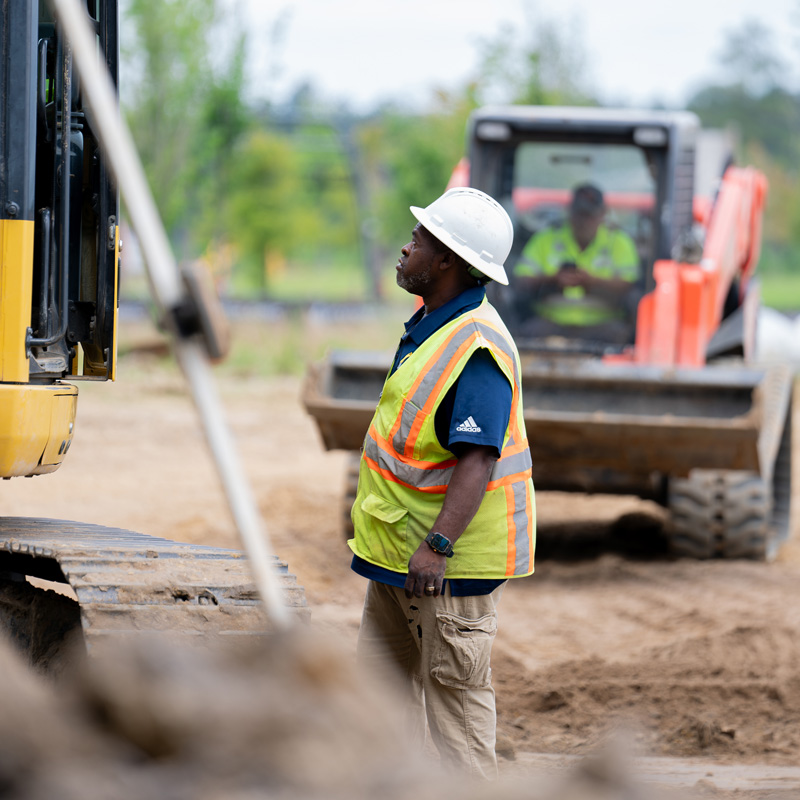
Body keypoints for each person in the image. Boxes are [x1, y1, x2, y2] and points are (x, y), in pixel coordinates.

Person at [349, 187, 536, 780]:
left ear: (449, 259)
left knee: (456, 723)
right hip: (400, 559)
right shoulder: (434, 323)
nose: (406, 248)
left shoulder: (476, 347)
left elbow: (476, 462)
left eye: (420, 240)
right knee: (373, 709)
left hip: (443, 567)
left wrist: (437, 548)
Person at [513, 183, 640, 344]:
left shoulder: (619, 242)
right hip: (551, 323)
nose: (584, 221)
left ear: (602, 214)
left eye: (590, 215)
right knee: (524, 334)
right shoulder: (546, 238)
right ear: (570, 212)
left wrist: (592, 282)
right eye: (580, 214)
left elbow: (629, 284)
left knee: (623, 336)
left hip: (603, 325)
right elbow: (521, 281)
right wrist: (553, 279)